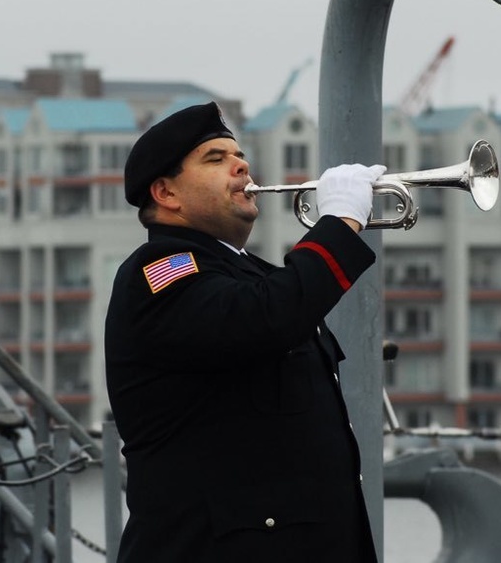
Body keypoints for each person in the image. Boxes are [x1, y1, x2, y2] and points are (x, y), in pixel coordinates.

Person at [104, 101, 385, 563]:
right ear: (166, 193)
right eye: (215, 159)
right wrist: (339, 224)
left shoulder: (246, 273)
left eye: (239, 155)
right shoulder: (158, 273)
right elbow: (267, 319)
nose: (241, 165)